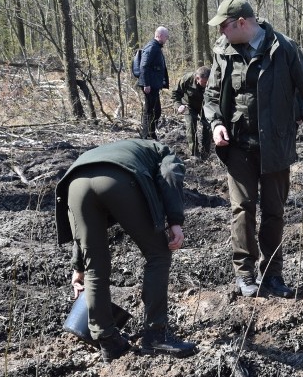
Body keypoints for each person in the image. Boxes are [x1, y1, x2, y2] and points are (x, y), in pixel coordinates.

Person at [204, 0, 303, 298]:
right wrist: (216, 124)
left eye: (225, 26)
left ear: (242, 23)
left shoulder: (284, 48)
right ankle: (245, 274)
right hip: (238, 145)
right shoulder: (222, 50)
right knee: (242, 208)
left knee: (274, 211)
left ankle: (273, 274)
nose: (221, 32)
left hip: (276, 143)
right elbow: (211, 97)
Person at [55, 139, 197, 362]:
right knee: (158, 254)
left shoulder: (105, 150)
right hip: (117, 180)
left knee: (95, 268)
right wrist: (175, 221)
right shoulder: (161, 151)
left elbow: (80, 235)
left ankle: (108, 342)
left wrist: (79, 267)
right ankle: (156, 335)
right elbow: (170, 173)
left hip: (75, 183)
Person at [138, 27, 170, 140]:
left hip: (153, 85)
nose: (167, 39)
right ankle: (146, 135)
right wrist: (146, 84)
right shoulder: (152, 47)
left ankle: (150, 133)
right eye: (166, 36)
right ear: (160, 35)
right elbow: (144, 65)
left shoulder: (156, 47)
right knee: (149, 110)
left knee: (156, 111)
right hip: (149, 85)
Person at [171, 66, 211, 158]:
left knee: (208, 127)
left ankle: (205, 154)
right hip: (189, 105)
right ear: (197, 78)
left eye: (208, 81)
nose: (207, 84)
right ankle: (194, 153)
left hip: (206, 105)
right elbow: (175, 93)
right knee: (191, 126)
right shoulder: (187, 79)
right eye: (204, 82)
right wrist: (179, 105)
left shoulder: (213, 80)